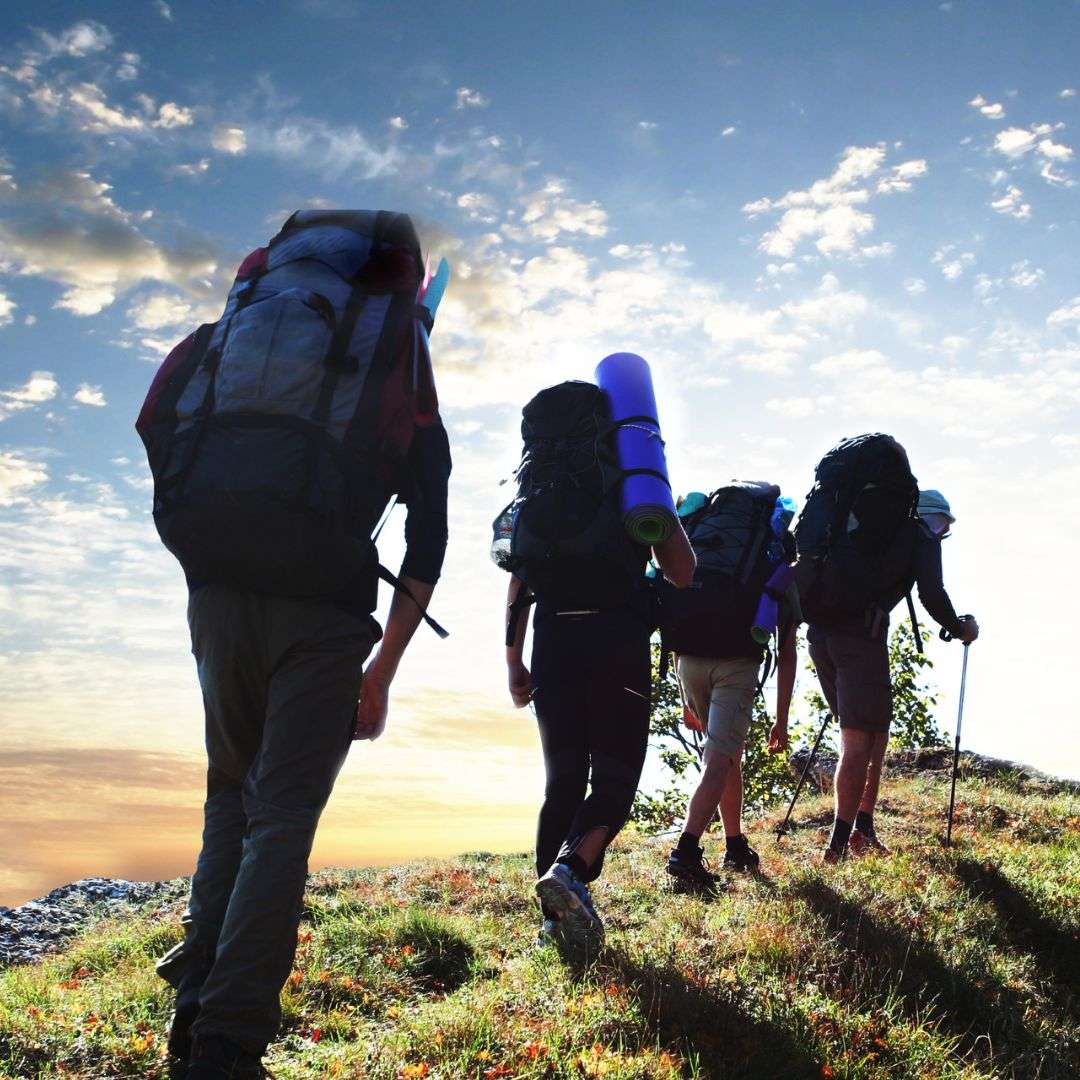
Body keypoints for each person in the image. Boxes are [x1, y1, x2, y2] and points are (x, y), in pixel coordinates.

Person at [139, 211, 450, 1079]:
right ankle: (228, 1044)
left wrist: (215, 537)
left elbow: (158, 418)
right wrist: (380, 671)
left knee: (228, 798)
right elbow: (430, 535)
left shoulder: (237, 330)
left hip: (216, 593)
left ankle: (193, 1008)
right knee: (280, 821)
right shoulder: (398, 362)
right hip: (322, 612)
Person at [500, 379, 694, 955]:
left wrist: (513, 660)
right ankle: (570, 873)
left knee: (561, 783)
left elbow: (519, 580)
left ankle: (551, 925)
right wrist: (658, 501)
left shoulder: (536, 492)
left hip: (552, 641)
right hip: (616, 643)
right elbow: (682, 572)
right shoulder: (632, 486)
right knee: (613, 782)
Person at [810, 486, 978, 864]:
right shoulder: (919, 534)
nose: (940, 533)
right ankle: (838, 848)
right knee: (857, 743)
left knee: (875, 733)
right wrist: (960, 627)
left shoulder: (860, 531)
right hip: (859, 639)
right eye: (941, 525)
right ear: (928, 518)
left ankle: (863, 828)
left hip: (820, 635)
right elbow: (932, 594)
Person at [661, 484, 800, 891]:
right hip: (735, 665)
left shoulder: (705, 540)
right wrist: (782, 720)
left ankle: (734, 842)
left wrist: (684, 690)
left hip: (687, 660)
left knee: (727, 756)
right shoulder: (774, 559)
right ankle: (684, 853)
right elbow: (787, 649)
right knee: (719, 761)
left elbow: (676, 609)